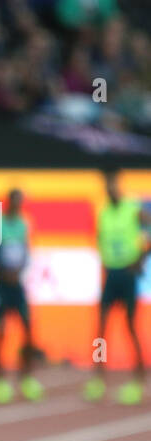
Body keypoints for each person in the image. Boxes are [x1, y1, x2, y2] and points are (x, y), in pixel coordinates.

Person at [85, 169, 150, 404]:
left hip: (128, 274)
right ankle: (98, 379)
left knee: (131, 327)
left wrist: (141, 258)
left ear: (118, 185)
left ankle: (138, 380)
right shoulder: (102, 212)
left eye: (113, 184)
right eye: (107, 185)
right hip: (111, 274)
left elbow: (147, 230)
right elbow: (98, 238)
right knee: (101, 329)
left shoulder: (132, 208)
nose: (110, 189)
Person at [0, 188, 44, 402]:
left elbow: (26, 252)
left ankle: (26, 378)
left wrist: (18, 271)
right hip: (1, 286)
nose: (18, 205)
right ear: (8, 202)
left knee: (27, 328)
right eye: (15, 201)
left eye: (21, 202)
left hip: (17, 285)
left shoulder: (23, 224)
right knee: (1, 332)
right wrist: (0, 270)